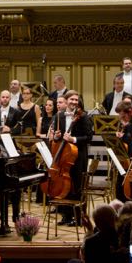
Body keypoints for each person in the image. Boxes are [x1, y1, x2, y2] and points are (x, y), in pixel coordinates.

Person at [56, 91, 93, 226]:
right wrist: (56, 136)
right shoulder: (59, 115)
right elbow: (57, 137)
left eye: (76, 100)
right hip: (63, 157)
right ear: (66, 101)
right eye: (72, 99)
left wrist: (73, 139)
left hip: (78, 156)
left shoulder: (83, 116)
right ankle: (65, 215)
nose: (74, 102)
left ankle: (78, 218)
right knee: (64, 186)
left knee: (77, 187)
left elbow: (89, 137)